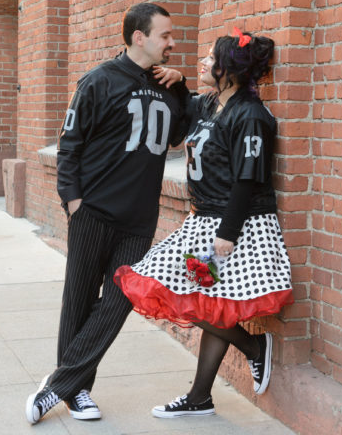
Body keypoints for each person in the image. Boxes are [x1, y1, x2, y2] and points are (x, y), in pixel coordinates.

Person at [114, 29, 294, 418]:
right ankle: (242, 358)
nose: (203, 62)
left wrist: (227, 234)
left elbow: (249, 178)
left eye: (211, 58)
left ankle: (207, 389)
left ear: (229, 67)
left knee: (207, 306)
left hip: (237, 225)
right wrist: (178, 85)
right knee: (182, 294)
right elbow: (182, 121)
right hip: (204, 220)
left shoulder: (251, 115)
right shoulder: (210, 103)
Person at [25, 2, 188, 424]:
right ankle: (77, 392)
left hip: (138, 221)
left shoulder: (168, 86)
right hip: (94, 212)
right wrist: (74, 202)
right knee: (79, 300)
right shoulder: (99, 80)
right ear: (139, 37)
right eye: (165, 35)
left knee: (119, 301)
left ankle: (57, 385)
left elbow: (178, 136)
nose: (173, 42)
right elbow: (70, 145)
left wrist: (183, 85)